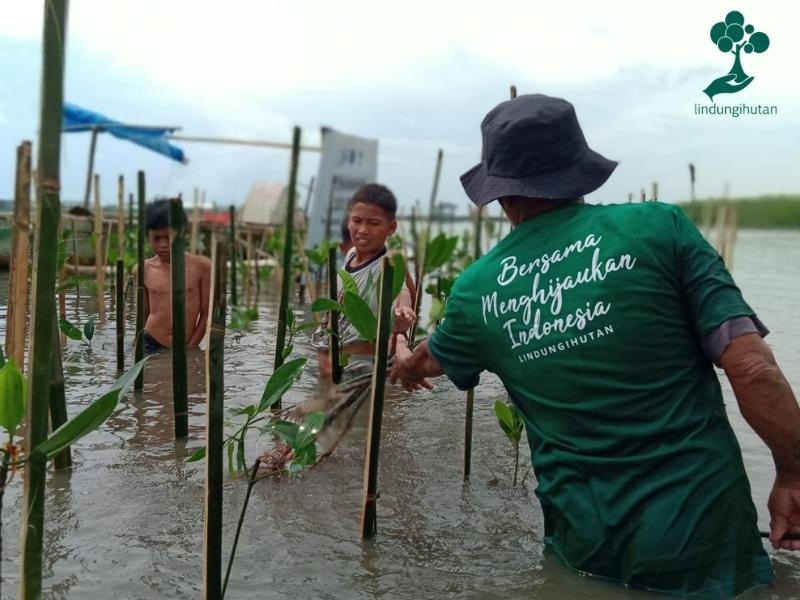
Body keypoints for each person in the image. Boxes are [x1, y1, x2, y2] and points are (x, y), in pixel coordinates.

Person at [391, 94, 800, 597]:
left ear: (503, 196)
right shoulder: (661, 228)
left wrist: (404, 362)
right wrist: (792, 473)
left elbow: (429, 360)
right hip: (705, 537)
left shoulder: (477, 290)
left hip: (587, 545)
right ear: (579, 173)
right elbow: (753, 369)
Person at [313, 183, 415, 378]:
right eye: (357, 221)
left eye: (373, 223)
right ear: (348, 221)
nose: (363, 230)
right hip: (334, 366)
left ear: (391, 227)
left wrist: (404, 313)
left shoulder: (389, 262)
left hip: (360, 369)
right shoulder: (351, 253)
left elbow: (401, 292)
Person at [141, 199, 211, 353]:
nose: (163, 244)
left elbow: (207, 313)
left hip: (186, 346)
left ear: (182, 234)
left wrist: (190, 348)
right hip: (150, 341)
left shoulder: (201, 267)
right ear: (147, 237)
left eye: (168, 237)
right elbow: (144, 312)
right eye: (157, 238)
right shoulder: (145, 268)